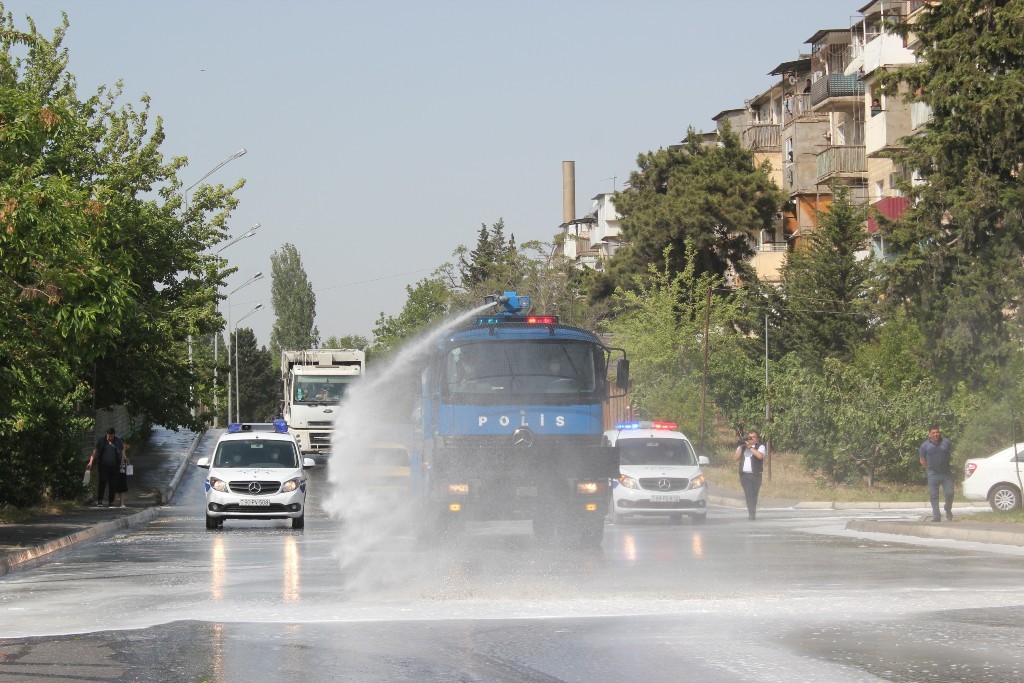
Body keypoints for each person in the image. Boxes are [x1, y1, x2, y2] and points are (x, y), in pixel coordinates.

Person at [919, 424, 954, 522]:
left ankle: (948, 509)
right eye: (933, 433)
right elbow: (922, 460)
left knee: (950, 493)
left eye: (937, 432)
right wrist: (929, 469)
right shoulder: (925, 446)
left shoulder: (946, 442)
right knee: (934, 495)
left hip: (946, 473)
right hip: (933, 474)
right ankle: (936, 516)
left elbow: (950, 454)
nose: (936, 434)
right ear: (929, 434)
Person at [86, 427, 127, 508]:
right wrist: (91, 462)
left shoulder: (118, 441)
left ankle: (111, 502)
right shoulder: (101, 441)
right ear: (106, 434)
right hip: (103, 466)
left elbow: (122, 451)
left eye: (111, 436)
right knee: (102, 482)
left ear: (114, 435)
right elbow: (95, 451)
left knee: (113, 483)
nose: (110, 438)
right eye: (108, 436)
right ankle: (100, 501)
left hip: (115, 466)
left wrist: (122, 461)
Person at [734, 430, 766, 520]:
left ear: (757, 439)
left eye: (753, 437)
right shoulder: (742, 447)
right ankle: (751, 514)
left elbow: (760, 456)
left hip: (756, 475)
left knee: (754, 494)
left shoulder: (760, 446)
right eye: (749, 437)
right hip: (744, 475)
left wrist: (750, 447)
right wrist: (742, 446)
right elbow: (735, 458)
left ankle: (753, 512)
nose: (751, 439)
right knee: (748, 493)